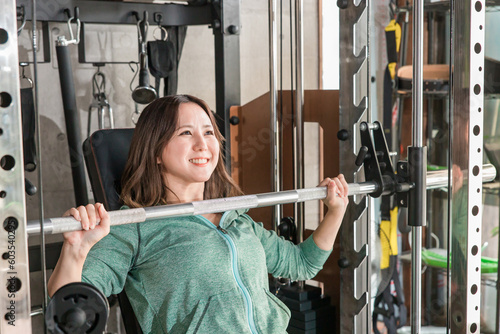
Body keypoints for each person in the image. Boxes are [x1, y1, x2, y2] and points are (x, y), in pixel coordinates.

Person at [47, 94, 349, 334]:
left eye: (208, 132)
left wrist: (335, 211)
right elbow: (71, 310)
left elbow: (302, 264)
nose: (203, 144)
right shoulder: (136, 226)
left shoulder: (236, 217)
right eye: (185, 133)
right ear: (155, 151)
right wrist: (76, 249)